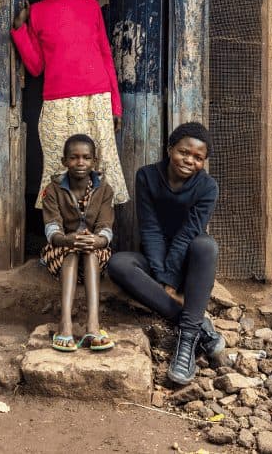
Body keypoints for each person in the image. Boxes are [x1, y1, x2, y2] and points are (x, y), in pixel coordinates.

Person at [106, 122, 226, 384]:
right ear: (170, 148)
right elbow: (150, 229)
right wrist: (161, 275)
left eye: (198, 158)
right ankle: (197, 328)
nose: (189, 160)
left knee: (205, 245)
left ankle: (185, 344)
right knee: (118, 264)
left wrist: (171, 281)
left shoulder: (208, 187)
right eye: (184, 152)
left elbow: (188, 233)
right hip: (154, 259)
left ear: (204, 162)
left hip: (189, 266)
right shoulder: (146, 176)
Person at [11, 0, 129, 208]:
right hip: (57, 102)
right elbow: (35, 67)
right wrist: (20, 30)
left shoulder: (90, 6)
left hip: (95, 98)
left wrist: (115, 105)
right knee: (58, 163)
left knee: (100, 163)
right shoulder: (38, 12)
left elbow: (106, 57)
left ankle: (99, 234)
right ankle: (60, 234)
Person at [40, 134, 115, 352]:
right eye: (74, 158)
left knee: (89, 251)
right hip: (61, 251)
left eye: (86, 158)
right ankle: (65, 325)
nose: (80, 163)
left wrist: (97, 240)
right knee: (72, 251)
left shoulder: (104, 190)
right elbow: (52, 228)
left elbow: (106, 227)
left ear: (94, 161)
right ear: (65, 161)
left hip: (94, 253)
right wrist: (68, 240)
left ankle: (93, 324)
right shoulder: (53, 189)